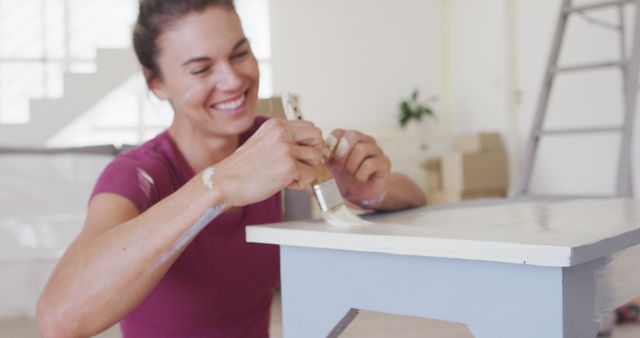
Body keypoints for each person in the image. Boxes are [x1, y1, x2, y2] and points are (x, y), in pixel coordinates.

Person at [36, 0, 427, 337]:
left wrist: (365, 190)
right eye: (202, 69)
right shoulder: (138, 175)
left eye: (239, 53)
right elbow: (59, 320)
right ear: (156, 84)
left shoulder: (268, 141)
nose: (234, 79)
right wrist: (218, 185)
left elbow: (414, 195)